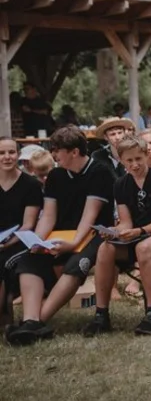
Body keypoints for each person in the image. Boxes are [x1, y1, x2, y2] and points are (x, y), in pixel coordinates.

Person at [5, 127, 116, 345]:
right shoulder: (56, 175)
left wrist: (73, 244)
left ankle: (38, 322)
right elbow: (48, 215)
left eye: (57, 151)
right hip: (60, 233)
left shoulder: (99, 172)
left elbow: (89, 215)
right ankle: (30, 320)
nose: (54, 155)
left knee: (76, 265)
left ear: (74, 152)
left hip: (93, 234)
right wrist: (36, 241)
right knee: (30, 260)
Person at [88, 137, 151, 335]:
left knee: (144, 248)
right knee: (105, 249)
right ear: (122, 160)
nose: (135, 164)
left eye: (138, 158)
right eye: (129, 161)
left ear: (147, 155)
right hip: (137, 234)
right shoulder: (121, 184)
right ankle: (101, 314)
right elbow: (126, 222)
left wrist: (137, 232)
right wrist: (115, 233)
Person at [0, 138, 43, 319]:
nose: (7, 157)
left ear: (18, 155)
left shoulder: (30, 185)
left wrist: (6, 244)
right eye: (1, 153)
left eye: (11, 152)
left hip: (18, 240)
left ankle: (5, 311)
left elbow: (28, 224)